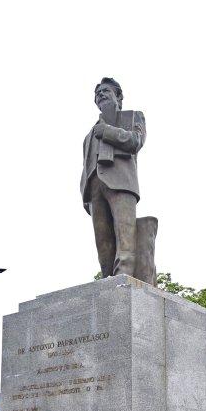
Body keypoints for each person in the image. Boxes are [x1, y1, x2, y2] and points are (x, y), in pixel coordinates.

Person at [80, 77, 148, 283]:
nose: (100, 94)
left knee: (125, 236)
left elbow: (136, 141)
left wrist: (107, 132)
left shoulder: (133, 117)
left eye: (105, 91)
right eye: (97, 93)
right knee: (103, 242)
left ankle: (123, 280)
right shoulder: (89, 135)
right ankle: (106, 281)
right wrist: (85, 192)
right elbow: (86, 165)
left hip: (121, 183)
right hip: (94, 188)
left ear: (118, 96)